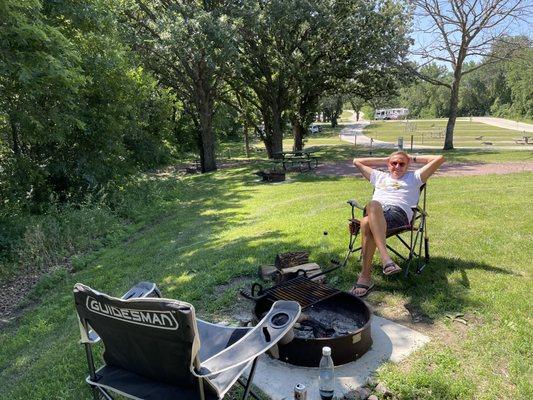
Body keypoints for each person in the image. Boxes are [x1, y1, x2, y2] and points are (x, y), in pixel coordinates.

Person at [350, 151, 445, 297]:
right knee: (374, 205)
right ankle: (386, 260)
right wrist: (385, 159)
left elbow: (440, 158)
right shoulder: (379, 176)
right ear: (388, 164)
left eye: (402, 163)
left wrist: (411, 158)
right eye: (394, 163)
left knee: (366, 222)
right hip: (375, 210)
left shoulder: (415, 177)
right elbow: (357, 161)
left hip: (397, 214)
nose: (397, 166)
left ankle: (365, 277)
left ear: (408, 165)